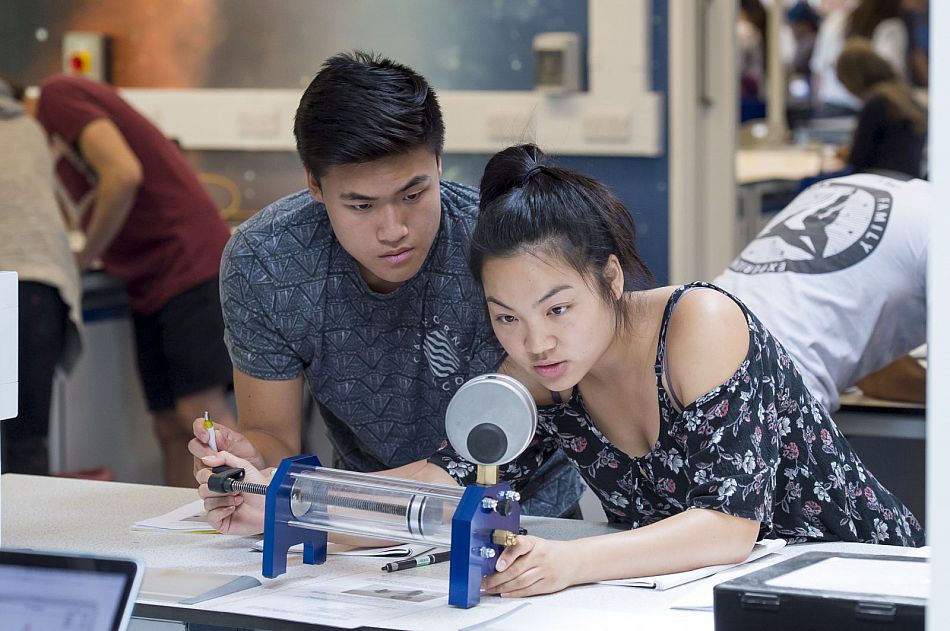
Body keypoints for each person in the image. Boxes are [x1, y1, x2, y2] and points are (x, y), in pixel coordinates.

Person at [466, 144, 921, 597]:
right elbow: (451, 476)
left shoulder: (701, 324)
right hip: (711, 600)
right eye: (507, 317)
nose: (536, 343)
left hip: (865, 577)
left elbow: (729, 528)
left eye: (559, 309)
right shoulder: (534, 377)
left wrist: (570, 560)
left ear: (611, 278)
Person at [190, 52, 584, 530]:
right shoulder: (266, 261)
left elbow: (503, 443)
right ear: (315, 185)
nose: (394, 229)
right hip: (362, 523)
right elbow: (273, 436)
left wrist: (317, 504)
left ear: (438, 163)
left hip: (529, 522)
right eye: (361, 205)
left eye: (413, 195)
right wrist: (250, 463)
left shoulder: (499, 246)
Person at [34, 74, 235, 487]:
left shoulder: (58, 97)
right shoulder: (48, 145)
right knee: (167, 425)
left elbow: (122, 173)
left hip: (186, 263)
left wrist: (82, 256)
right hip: (149, 280)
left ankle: (249, 523)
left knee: (198, 413)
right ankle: (180, 538)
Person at [715, 172, 931, 412]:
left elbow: (876, 376)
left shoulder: (847, 185)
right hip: (773, 392)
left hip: (685, 362)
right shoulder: (938, 223)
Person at [0, 77, 82, 475]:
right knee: (25, 442)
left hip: (14, 288)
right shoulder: (29, 130)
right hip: (34, 292)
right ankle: (23, 537)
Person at [836, 38, 927, 179]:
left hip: (880, 179)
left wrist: (846, 154)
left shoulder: (877, 101)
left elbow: (858, 158)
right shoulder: (904, 95)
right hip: (908, 179)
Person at [810, 0, 908, 116]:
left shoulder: (834, 21)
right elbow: (892, 75)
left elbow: (818, 72)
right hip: (871, 109)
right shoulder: (891, 28)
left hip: (831, 106)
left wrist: (817, 107)